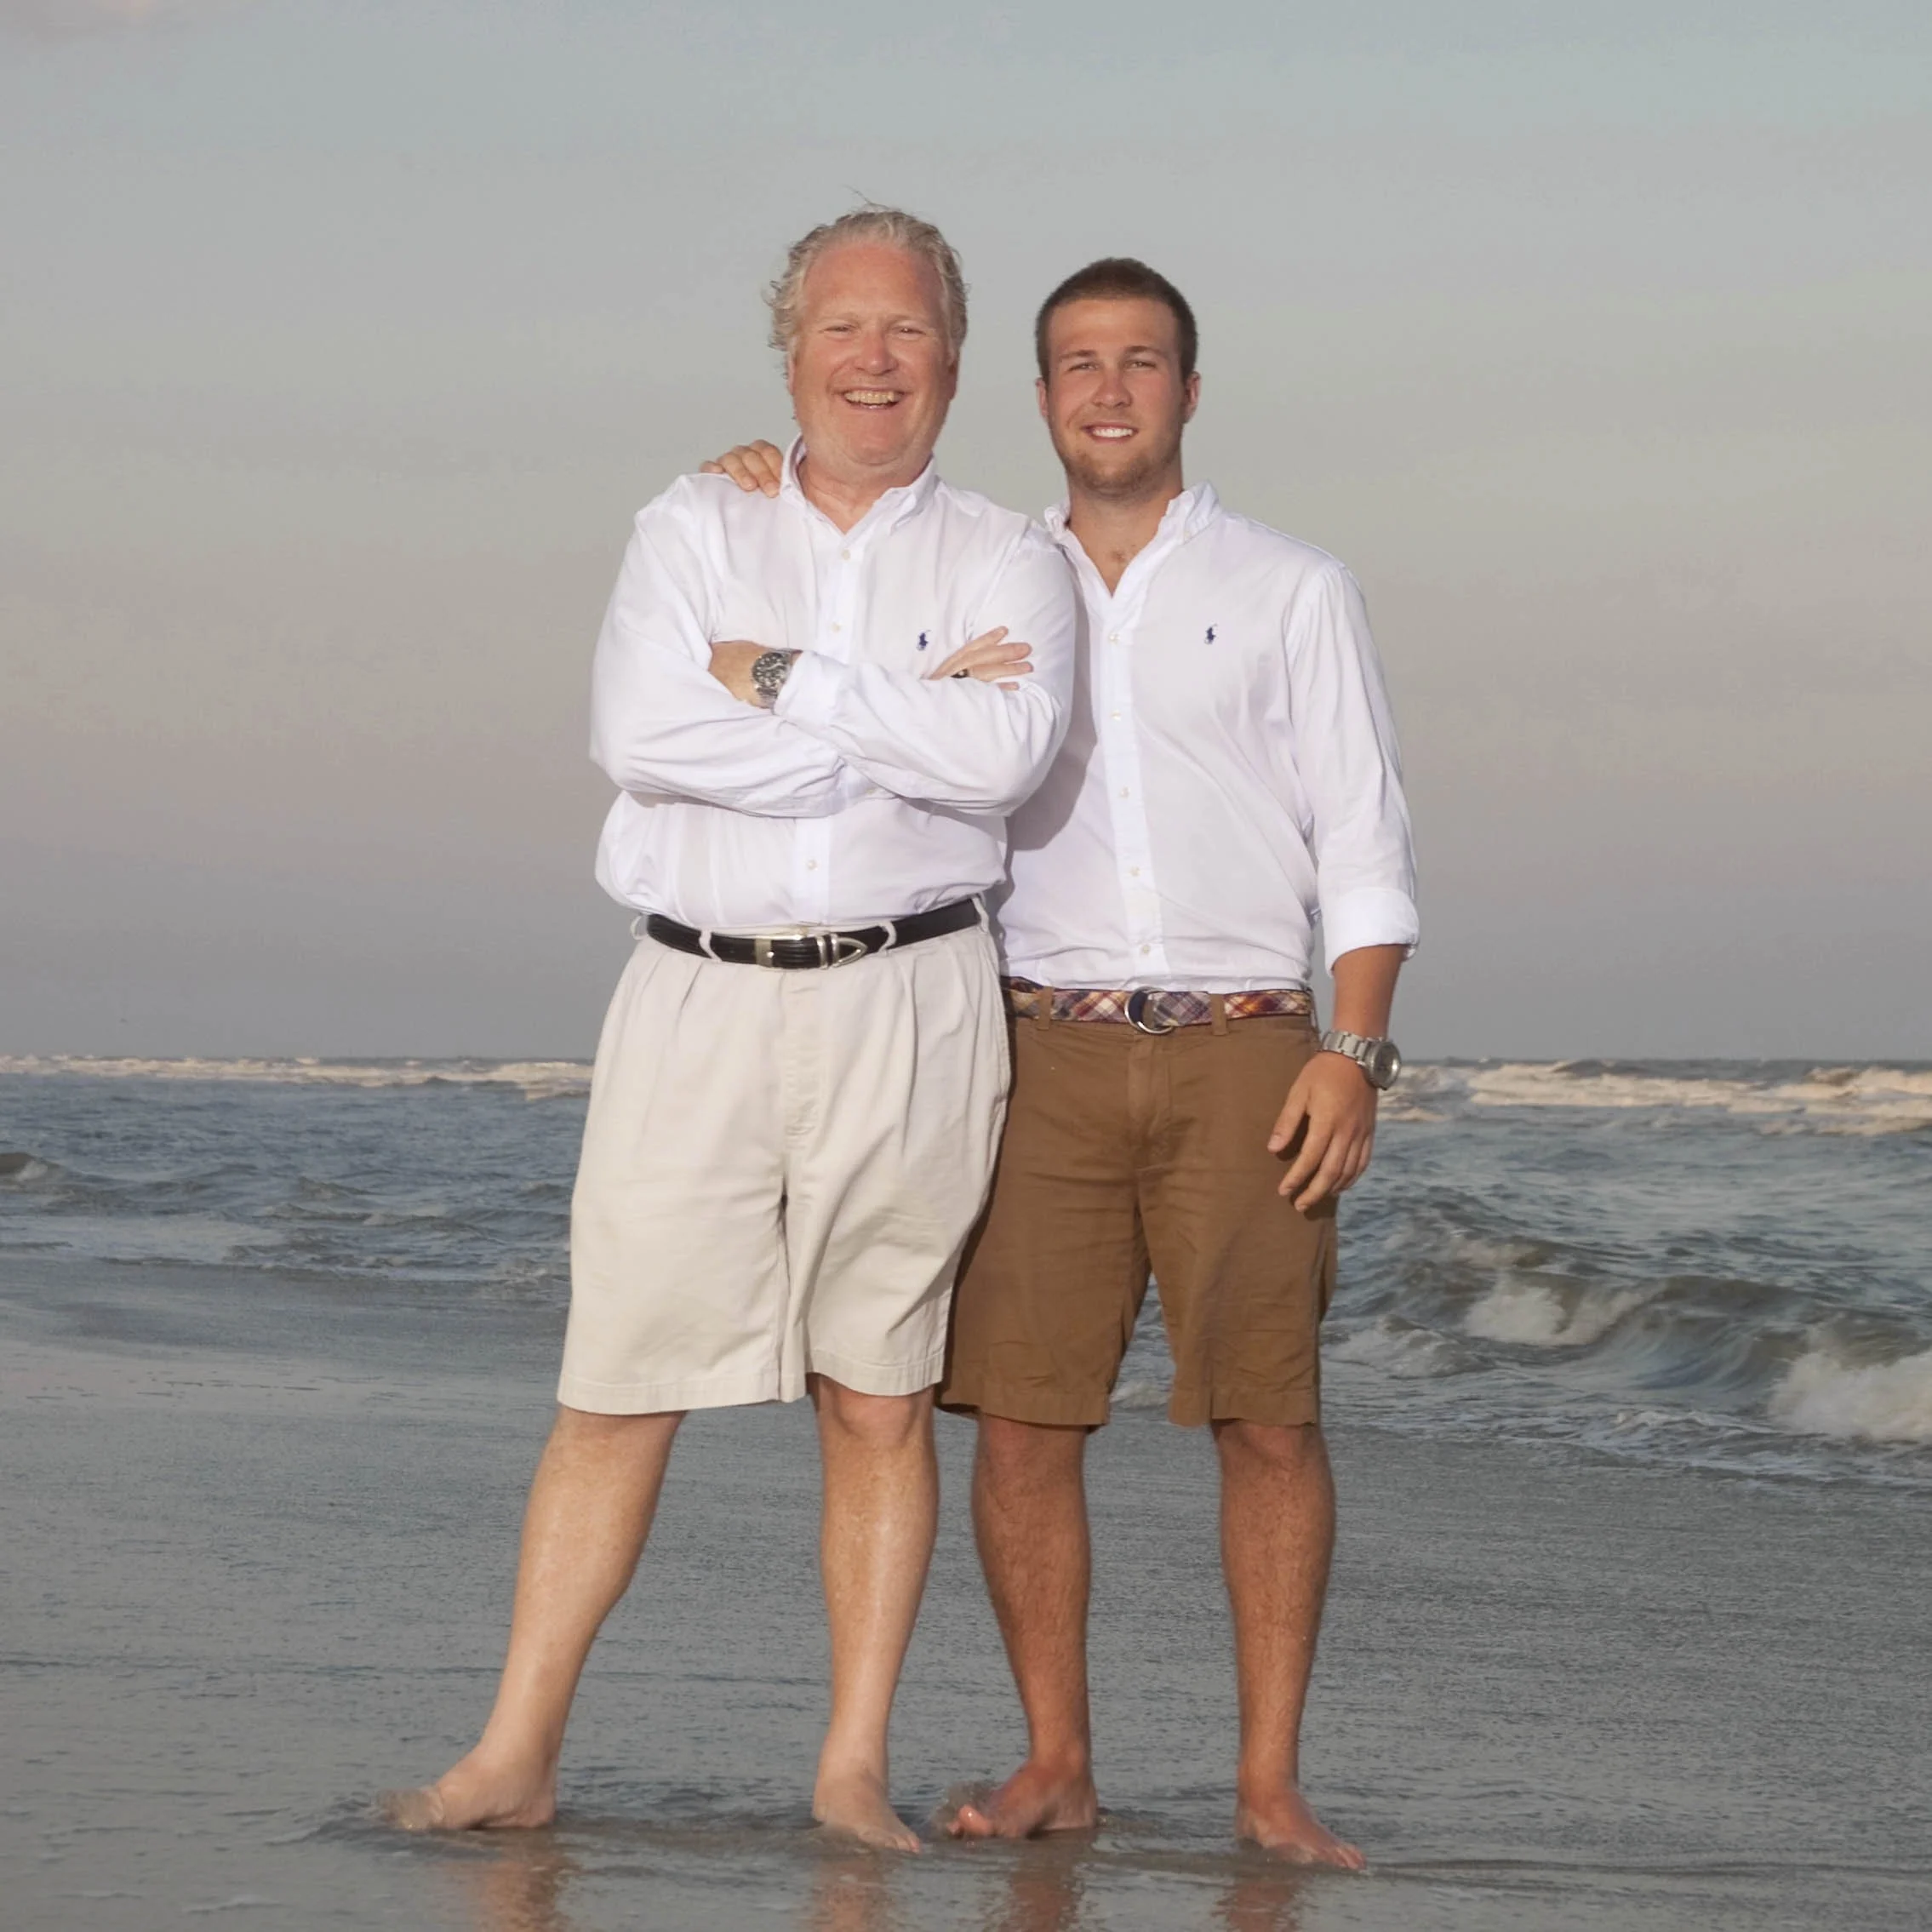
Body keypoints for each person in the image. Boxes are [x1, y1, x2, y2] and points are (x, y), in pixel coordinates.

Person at [703, 257, 1417, 1866]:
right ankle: (1057, 1760)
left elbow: (1365, 838)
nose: (1109, 390)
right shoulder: (974, 574)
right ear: (1036, 397)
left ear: (1186, 389)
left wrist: (1355, 1048)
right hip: (1028, 1044)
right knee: (1019, 1424)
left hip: (1249, 1047)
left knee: (1270, 1419)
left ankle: (1267, 1780)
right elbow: (819, 564)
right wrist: (746, 469)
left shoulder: (1294, 583)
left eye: (1142, 361)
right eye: (1078, 364)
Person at [383, 206, 1076, 1853]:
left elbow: (1003, 761)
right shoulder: (694, 518)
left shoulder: (1006, 552)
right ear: (790, 353)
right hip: (695, 992)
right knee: (618, 1380)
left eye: (906, 332)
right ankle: (514, 1751)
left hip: (914, 995)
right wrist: (891, 717)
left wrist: (771, 681)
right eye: (843, 327)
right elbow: (638, 728)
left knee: (880, 1391)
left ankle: (848, 1768)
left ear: (954, 363)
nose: (873, 360)